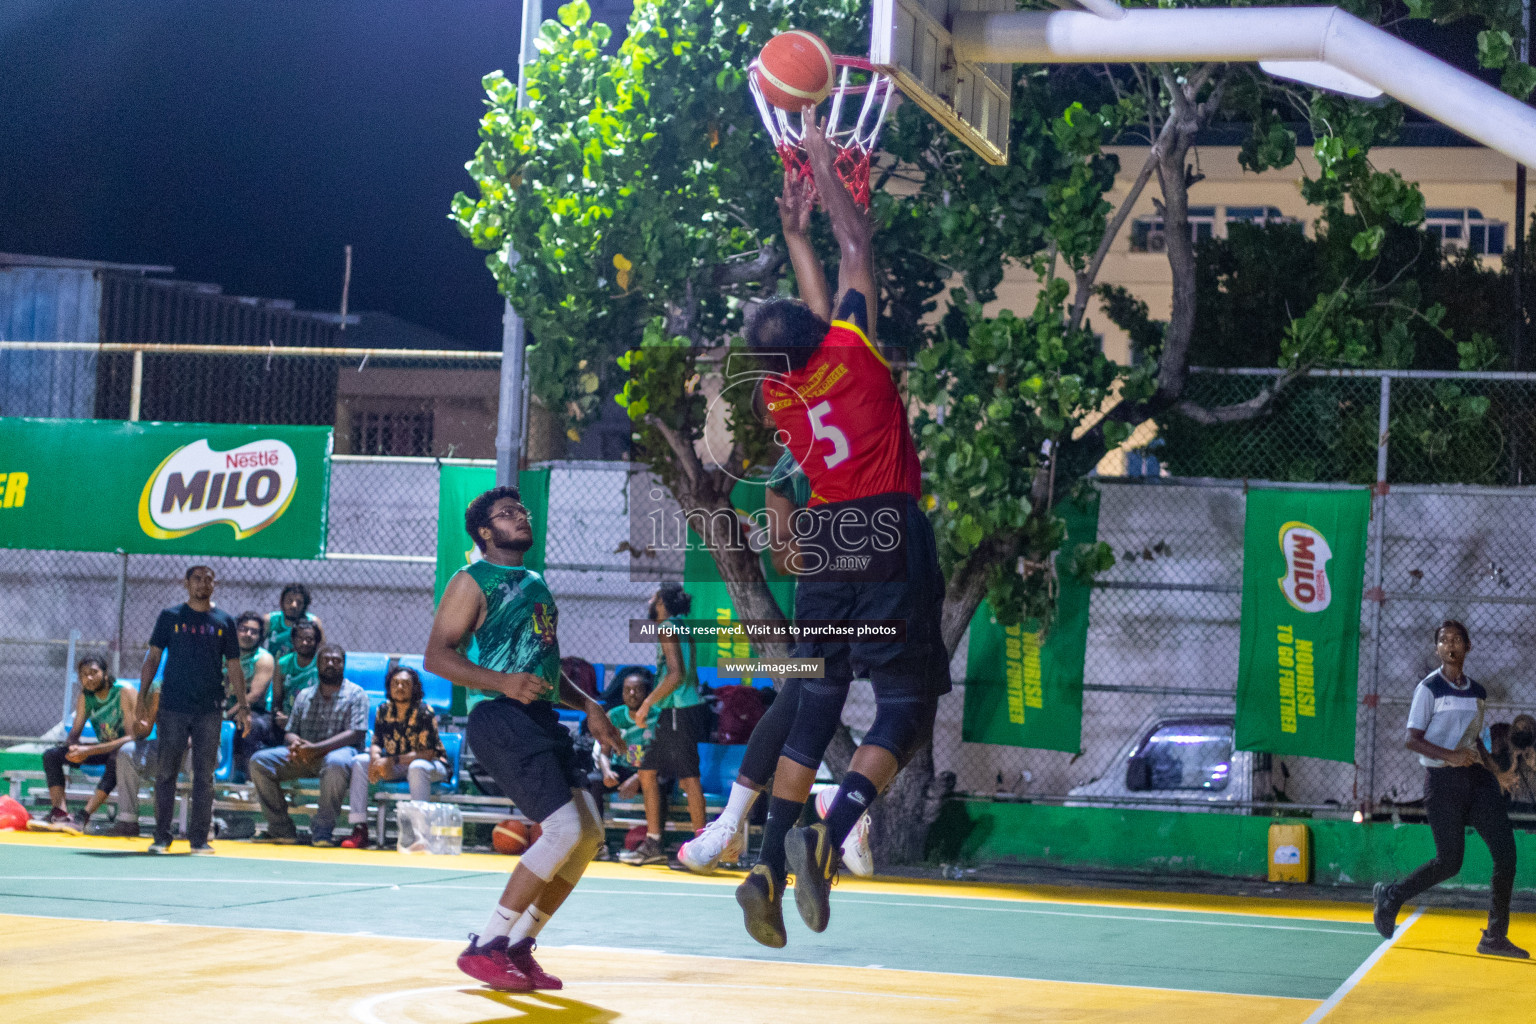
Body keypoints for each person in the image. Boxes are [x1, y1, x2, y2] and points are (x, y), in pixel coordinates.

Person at [734, 111, 949, 947]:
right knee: (905, 703)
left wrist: (795, 235)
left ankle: (765, 866)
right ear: (823, 336)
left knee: (817, 697)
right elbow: (858, 242)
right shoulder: (854, 355)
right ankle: (834, 823)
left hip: (824, 539)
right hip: (886, 529)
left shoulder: (779, 394)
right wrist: (822, 164)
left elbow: (817, 310)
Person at [425, 484, 624, 992]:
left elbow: (545, 672)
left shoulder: (535, 583)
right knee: (561, 831)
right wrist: (503, 682)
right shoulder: (472, 580)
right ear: (486, 532)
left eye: (523, 510)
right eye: (508, 514)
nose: (521, 517)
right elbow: (438, 657)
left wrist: (591, 707)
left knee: (589, 835)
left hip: (540, 717)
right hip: (499, 715)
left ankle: (518, 945)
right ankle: (486, 946)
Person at [678, 439, 873, 879]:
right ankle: (742, 825)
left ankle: (831, 807)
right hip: (837, 596)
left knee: (901, 708)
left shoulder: (873, 437)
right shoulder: (793, 466)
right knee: (807, 695)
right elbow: (785, 559)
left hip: (885, 589)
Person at [1373, 620, 1526, 958]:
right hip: (1443, 784)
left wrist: (1496, 773)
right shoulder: (1428, 689)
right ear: (1437, 649)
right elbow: (1412, 740)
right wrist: (1450, 756)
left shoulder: (1478, 692)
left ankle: (1494, 936)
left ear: (1468, 647)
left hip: (1477, 780)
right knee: (1449, 862)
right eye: (1444, 640)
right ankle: (1392, 896)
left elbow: (1475, 739)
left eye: (1457, 639)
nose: (1451, 645)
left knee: (1506, 854)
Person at [139, 565, 249, 855]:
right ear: (186, 583)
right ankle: (161, 836)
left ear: (215, 584)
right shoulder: (170, 617)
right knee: (166, 773)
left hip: (209, 709)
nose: (203, 584)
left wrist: (244, 706)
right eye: (197, 579)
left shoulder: (224, 620)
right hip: (173, 706)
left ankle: (199, 839)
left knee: (204, 776)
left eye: (208, 579)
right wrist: (142, 697)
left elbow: (234, 666)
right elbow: (152, 658)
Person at [619, 584, 707, 866]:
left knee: (689, 778)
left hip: (677, 711)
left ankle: (702, 848)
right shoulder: (682, 626)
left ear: (661, 603)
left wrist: (647, 704)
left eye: (653, 597)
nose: (649, 600)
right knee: (646, 770)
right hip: (679, 711)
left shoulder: (668, 626)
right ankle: (654, 842)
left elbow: (675, 675)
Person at [248, 643, 369, 846]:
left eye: (336, 660)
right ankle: (281, 829)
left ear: (343, 665)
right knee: (259, 762)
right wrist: (296, 743)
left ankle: (322, 832)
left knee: (336, 763)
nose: (331, 664)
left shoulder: (357, 694)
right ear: (318, 664)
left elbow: (355, 734)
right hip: (305, 755)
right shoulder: (304, 695)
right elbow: (290, 730)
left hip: (338, 755)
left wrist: (316, 749)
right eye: (326, 660)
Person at [341, 665, 450, 849]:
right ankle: (360, 828)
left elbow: (428, 753)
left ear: (415, 688)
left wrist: (392, 760)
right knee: (360, 762)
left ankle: (420, 835)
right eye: (395, 683)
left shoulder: (424, 712)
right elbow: (376, 741)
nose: (400, 687)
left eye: (405, 684)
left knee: (418, 767)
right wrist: (375, 758)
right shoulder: (383, 710)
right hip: (398, 766)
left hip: (431, 766)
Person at [31, 656, 140, 836]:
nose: (88, 678)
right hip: (103, 748)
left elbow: (131, 736)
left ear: (105, 674)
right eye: (84, 674)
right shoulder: (85, 696)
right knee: (52, 755)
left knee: (117, 758)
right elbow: (75, 732)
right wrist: (73, 746)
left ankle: (83, 816)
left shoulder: (123, 692)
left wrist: (89, 749)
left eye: (94, 673)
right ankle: (59, 813)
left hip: (129, 751)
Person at [227, 612, 276, 778]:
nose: (248, 634)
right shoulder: (223, 654)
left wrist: (226, 715)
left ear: (260, 636)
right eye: (243, 629)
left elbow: (255, 695)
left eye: (254, 631)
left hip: (256, 710)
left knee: (249, 725)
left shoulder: (264, 659)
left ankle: (248, 782)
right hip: (224, 707)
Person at [271, 619, 322, 733]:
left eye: (309, 639)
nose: (304, 643)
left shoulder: (321, 662)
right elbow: (277, 697)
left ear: (317, 642)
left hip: (315, 718)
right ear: (293, 641)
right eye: (300, 638)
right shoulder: (283, 663)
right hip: (288, 717)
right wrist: (280, 714)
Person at [267, 582, 322, 661]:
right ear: (282, 602)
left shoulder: (313, 622)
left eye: (299, 602)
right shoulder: (271, 620)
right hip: (274, 668)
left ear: (305, 605)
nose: (294, 605)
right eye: (289, 601)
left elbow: (320, 650)